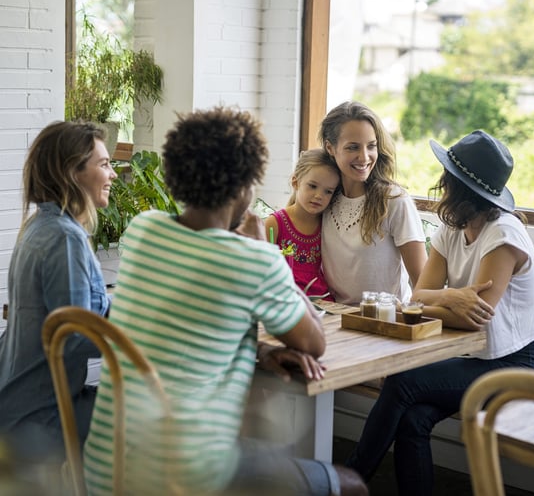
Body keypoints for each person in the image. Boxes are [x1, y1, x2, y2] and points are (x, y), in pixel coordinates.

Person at [83, 106, 368, 496]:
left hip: (107, 469)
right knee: (351, 485)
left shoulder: (143, 230)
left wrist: (253, 352)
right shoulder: (252, 259)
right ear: (244, 188)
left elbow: (185, 324)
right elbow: (314, 342)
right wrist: (265, 252)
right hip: (184, 478)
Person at [346, 130, 534, 496]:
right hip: (469, 358)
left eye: (447, 179)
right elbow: (419, 293)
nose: (441, 185)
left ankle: (348, 479)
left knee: (401, 381)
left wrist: (439, 301)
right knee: (414, 419)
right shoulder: (452, 230)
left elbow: (474, 319)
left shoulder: (503, 237)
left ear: (460, 188)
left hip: (510, 366)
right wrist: (452, 296)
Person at [0, 121, 116, 459]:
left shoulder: (41, 225)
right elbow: (73, 338)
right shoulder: (65, 237)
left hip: (18, 402)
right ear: (72, 172)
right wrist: (145, 337)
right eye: (104, 164)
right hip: (40, 417)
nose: (112, 175)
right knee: (157, 418)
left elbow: (81, 313)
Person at [319, 101, 427, 304]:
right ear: (330, 148)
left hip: (384, 322)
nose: (364, 157)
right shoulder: (323, 198)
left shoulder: (394, 200)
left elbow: (423, 281)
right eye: (353, 147)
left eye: (371, 146)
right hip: (335, 319)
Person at [264, 148, 340, 299]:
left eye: (328, 191)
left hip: (322, 301)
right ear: (295, 182)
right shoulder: (275, 223)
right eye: (312, 186)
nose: (319, 196)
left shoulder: (329, 225)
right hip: (285, 299)